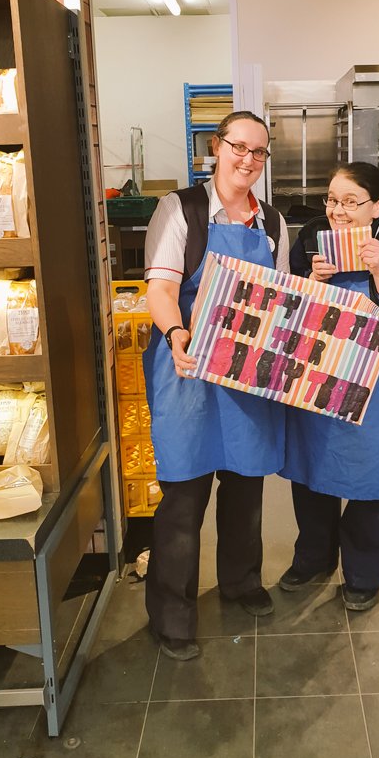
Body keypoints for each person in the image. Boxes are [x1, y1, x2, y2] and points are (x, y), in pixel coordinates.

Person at [142, 110, 289, 660]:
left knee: (246, 482)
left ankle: (241, 581)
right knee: (184, 495)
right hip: (190, 370)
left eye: (258, 152)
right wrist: (177, 331)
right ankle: (171, 614)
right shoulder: (181, 209)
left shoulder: (271, 223)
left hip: (246, 375)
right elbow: (160, 286)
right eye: (238, 147)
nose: (247, 160)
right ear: (216, 147)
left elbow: (277, 297)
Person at [278, 162, 379, 611]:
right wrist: (311, 281)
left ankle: (364, 573)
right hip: (318, 370)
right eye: (331, 200)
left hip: (375, 377)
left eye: (350, 202)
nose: (337, 212)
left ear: (377, 204)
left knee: (371, 474)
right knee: (312, 468)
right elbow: (285, 309)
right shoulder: (310, 237)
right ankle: (314, 558)